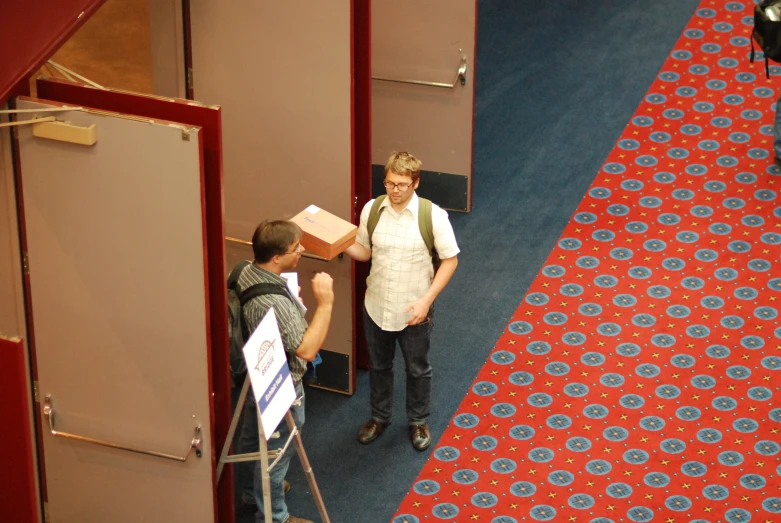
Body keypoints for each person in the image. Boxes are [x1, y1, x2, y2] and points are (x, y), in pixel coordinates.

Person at [344, 151, 459, 451]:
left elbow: (450, 261)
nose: (394, 190)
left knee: (417, 368)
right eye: (389, 183)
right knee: (380, 366)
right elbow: (365, 252)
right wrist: (338, 244)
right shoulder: (372, 209)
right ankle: (379, 417)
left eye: (402, 185)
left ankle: (418, 421)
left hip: (414, 310)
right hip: (376, 305)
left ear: (415, 183)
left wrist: (426, 302)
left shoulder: (433, 216)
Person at [237, 220, 334, 523]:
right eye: (296, 248)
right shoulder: (275, 302)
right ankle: (275, 517)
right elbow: (306, 350)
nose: (301, 251)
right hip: (281, 384)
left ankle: (247, 492)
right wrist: (326, 303)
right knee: (277, 454)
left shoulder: (242, 270)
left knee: (252, 437)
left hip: (253, 375)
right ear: (277, 257)